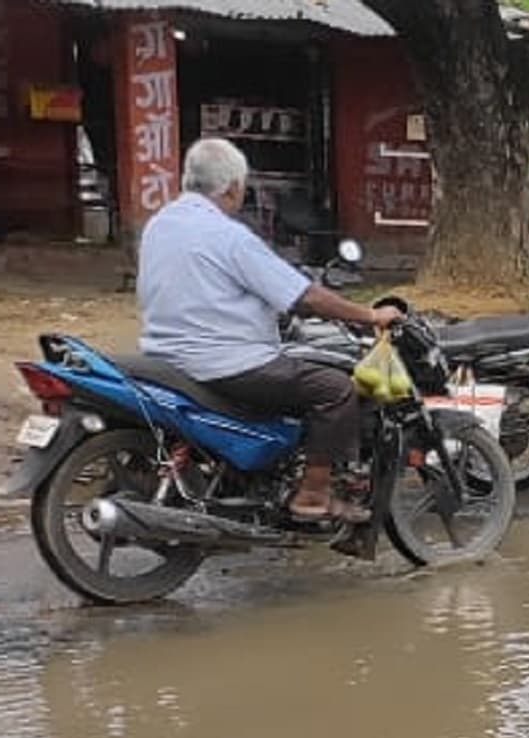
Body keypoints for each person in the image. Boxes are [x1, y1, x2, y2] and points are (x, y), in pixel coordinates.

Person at [137, 138, 400, 522]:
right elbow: (303, 296)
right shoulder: (229, 237)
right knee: (335, 390)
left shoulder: (159, 225)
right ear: (231, 187)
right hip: (226, 363)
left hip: (166, 359)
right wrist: (368, 315)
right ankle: (312, 494)